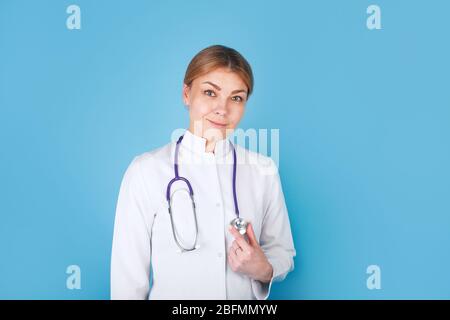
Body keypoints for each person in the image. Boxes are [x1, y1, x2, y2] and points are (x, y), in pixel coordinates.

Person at [111, 44, 296, 299]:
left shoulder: (263, 170)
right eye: (210, 92)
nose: (223, 109)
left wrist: (264, 269)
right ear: (186, 94)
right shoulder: (145, 171)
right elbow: (127, 282)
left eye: (236, 97)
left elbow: (282, 251)